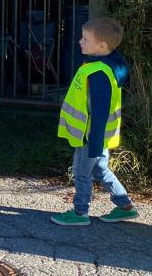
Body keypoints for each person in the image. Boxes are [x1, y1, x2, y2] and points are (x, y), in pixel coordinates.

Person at [50, 18, 137, 227]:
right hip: (98, 135)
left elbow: (100, 111)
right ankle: (125, 206)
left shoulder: (98, 73)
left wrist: (94, 142)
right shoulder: (109, 64)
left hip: (90, 135)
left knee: (81, 173)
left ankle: (80, 212)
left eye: (85, 39)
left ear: (102, 46)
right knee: (100, 169)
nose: (80, 41)